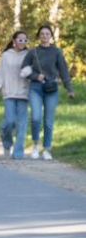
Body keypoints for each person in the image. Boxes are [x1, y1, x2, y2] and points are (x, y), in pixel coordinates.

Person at [20, 24, 75, 160]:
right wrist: (34, 76)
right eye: (42, 34)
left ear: (51, 36)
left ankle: (47, 149)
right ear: (39, 36)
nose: (44, 36)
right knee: (36, 117)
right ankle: (35, 145)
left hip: (52, 89)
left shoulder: (56, 52)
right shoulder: (33, 52)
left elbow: (63, 71)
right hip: (36, 88)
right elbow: (23, 70)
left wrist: (69, 89)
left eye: (47, 34)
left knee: (48, 121)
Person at [0, 31, 31, 159]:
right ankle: (6, 143)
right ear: (14, 41)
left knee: (21, 125)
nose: (22, 43)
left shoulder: (29, 55)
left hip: (24, 93)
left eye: (25, 40)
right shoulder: (6, 56)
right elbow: (0, 75)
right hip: (9, 93)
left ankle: (18, 153)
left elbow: (34, 72)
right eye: (20, 40)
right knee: (9, 122)